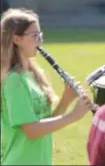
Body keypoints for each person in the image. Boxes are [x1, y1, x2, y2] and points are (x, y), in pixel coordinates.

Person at [1, 8, 92, 165]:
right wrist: (73, 116)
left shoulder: (31, 74)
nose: (39, 41)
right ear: (17, 39)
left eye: (40, 35)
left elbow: (44, 123)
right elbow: (31, 130)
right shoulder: (14, 80)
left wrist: (66, 100)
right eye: (34, 36)